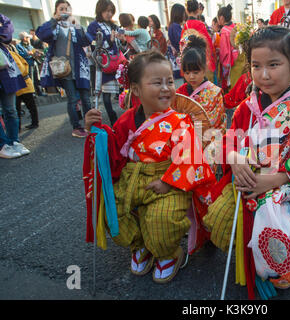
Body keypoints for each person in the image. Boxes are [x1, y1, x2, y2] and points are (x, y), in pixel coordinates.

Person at [203, 26, 290, 299]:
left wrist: (274, 180)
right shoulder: (248, 107)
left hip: (287, 189)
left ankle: (279, 270)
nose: (264, 75)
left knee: (281, 232)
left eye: (274, 65)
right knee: (217, 221)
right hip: (247, 181)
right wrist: (235, 160)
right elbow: (229, 142)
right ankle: (254, 263)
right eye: (256, 66)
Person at [83, 50, 215, 283]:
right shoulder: (127, 119)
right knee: (114, 210)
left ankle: (168, 253)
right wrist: (96, 131)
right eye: (157, 82)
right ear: (136, 90)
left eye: (170, 81)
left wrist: (167, 182)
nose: (166, 88)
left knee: (161, 219)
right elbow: (114, 151)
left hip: (167, 181)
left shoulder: (180, 121)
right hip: (131, 179)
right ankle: (139, 244)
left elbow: (190, 156)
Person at [37, 0, 92, 138]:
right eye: (61, 8)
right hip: (64, 69)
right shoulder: (54, 27)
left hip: (80, 69)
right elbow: (41, 34)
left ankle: (90, 124)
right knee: (72, 99)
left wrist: (77, 25)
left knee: (86, 98)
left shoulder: (75, 26)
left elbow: (87, 40)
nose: (65, 11)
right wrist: (54, 19)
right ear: (56, 11)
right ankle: (76, 127)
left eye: (67, 8)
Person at [176, 35, 226, 172]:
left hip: (208, 141)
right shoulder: (180, 92)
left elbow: (216, 121)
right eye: (187, 72)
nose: (191, 76)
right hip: (184, 139)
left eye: (195, 72)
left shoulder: (214, 92)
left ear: (204, 69)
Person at [0, 14, 30, 159]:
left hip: (4, 70)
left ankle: (14, 141)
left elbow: (8, 26)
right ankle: (3, 145)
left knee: (10, 109)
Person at [87, 0, 121, 126]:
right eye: (106, 11)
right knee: (106, 95)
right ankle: (113, 119)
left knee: (124, 89)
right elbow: (94, 45)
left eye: (111, 11)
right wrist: (110, 42)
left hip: (116, 62)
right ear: (100, 10)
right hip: (104, 64)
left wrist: (119, 39)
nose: (109, 14)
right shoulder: (93, 26)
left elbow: (120, 44)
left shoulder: (113, 25)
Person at [8, 42, 39, 130]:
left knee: (27, 106)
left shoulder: (11, 55)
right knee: (19, 108)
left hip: (22, 84)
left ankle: (33, 123)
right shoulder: (13, 54)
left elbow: (21, 69)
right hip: (21, 84)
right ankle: (20, 126)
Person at [181, 0, 216, 78]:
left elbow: (182, 45)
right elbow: (208, 44)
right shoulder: (200, 24)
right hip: (200, 58)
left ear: (187, 10)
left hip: (189, 59)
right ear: (198, 10)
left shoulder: (185, 26)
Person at [217, 5, 240, 91]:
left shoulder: (224, 31)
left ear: (221, 18)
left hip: (230, 62)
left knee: (230, 87)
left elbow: (224, 52)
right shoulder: (236, 27)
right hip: (239, 60)